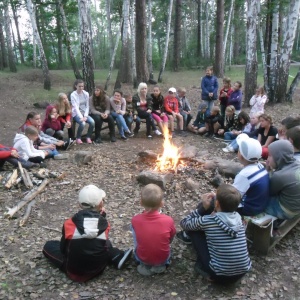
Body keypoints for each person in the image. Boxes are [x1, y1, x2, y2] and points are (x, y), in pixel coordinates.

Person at [42, 184, 133, 282]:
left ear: (80, 204)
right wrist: (102, 216)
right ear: (101, 204)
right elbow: (94, 229)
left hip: (74, 272)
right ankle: (116, 256)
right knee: (105, 243)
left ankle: (114, 256)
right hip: (98, 269)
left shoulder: (68, 224)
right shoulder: (105, 225)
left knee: (48, 246)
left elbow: (63, 249)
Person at [177, 184, 251, 283]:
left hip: (219, 275)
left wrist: (202, 208)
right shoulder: (239, 219)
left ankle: (203, 267)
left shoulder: (208, 221)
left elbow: (184, 223)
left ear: (217, 204)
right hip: (242, 272)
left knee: (194, 231)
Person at [131, 184, 176, 276]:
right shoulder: (168, 220)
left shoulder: (135, 220)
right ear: (161, 204)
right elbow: (172, 236)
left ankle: (145, 265)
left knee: (134, 228)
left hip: (143, 258)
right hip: (163, 258)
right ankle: (159, 266)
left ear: (141, 203)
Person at [232, 134, 269, 216]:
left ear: (241, 155)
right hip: (259, 205)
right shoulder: (260, 166)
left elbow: (232, 197)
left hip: (248, 210)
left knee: (212, 203)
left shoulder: (244, 175)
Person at [264, 140, 300, 219]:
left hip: (288, 211)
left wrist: (268, 171)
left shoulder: (279, 176)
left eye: (270, 156)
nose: (267, 159)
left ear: (279, 157)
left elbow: (269, 192)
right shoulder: (297, 163)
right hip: (297, 206)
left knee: (259, 199)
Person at [70, 79, 95, 144]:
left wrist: (86, 116)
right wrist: (81, 117)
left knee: (92, 122)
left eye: (82, 86)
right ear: (76, 86)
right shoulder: (73, 95)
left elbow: (87, 106)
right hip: (77, 113)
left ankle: (88, 137)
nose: (81, 88)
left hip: (85, 113)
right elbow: (75, 107)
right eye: (79, 86)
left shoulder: (86, 94)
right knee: (83, 123)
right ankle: (78, 138)